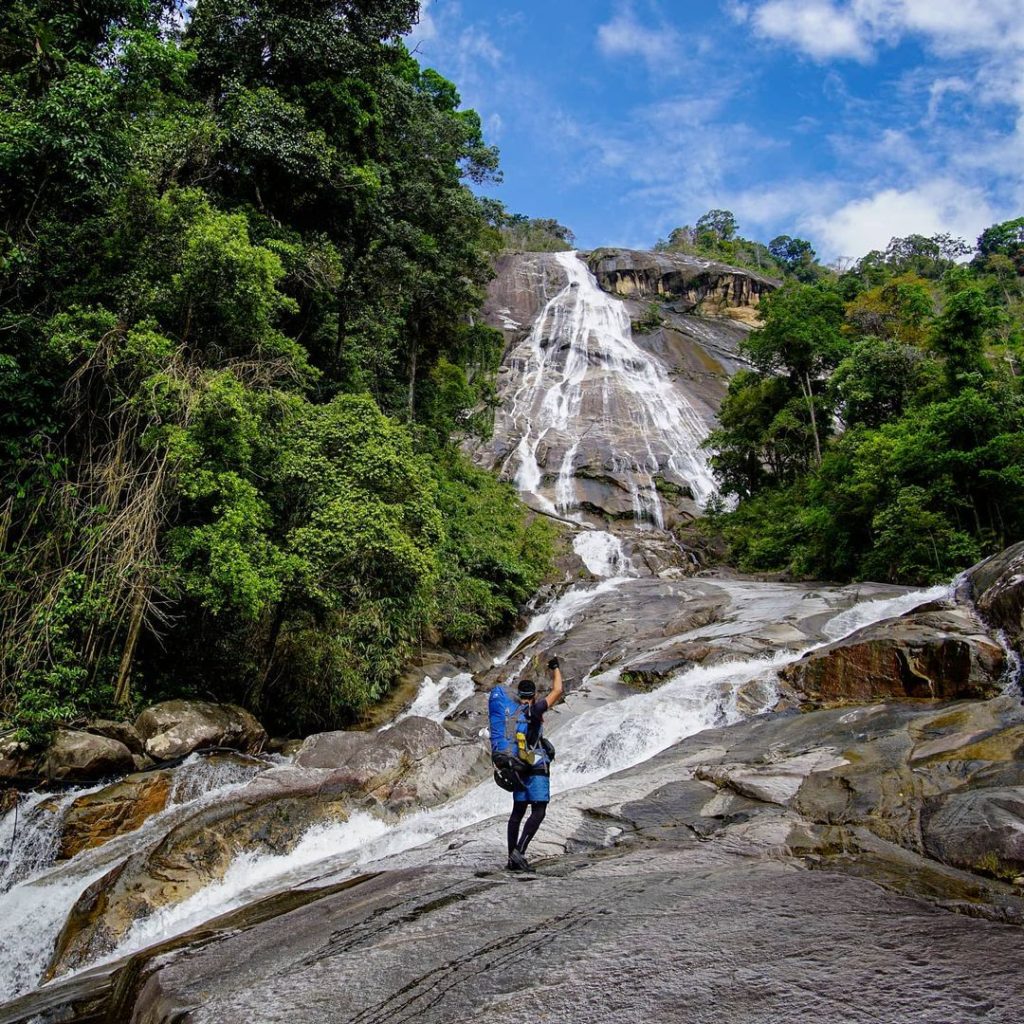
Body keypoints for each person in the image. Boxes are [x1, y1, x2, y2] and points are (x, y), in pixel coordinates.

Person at [506, 656, 562, 872]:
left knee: (517, 813)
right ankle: (519, 852)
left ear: (519, 695)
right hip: (536, 767)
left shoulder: (512, 713)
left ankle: (511, 858)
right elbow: (557, 690)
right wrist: (555, 668)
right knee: (539, 811)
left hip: (517, 768)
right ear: (534, 695)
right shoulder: (535, 709)